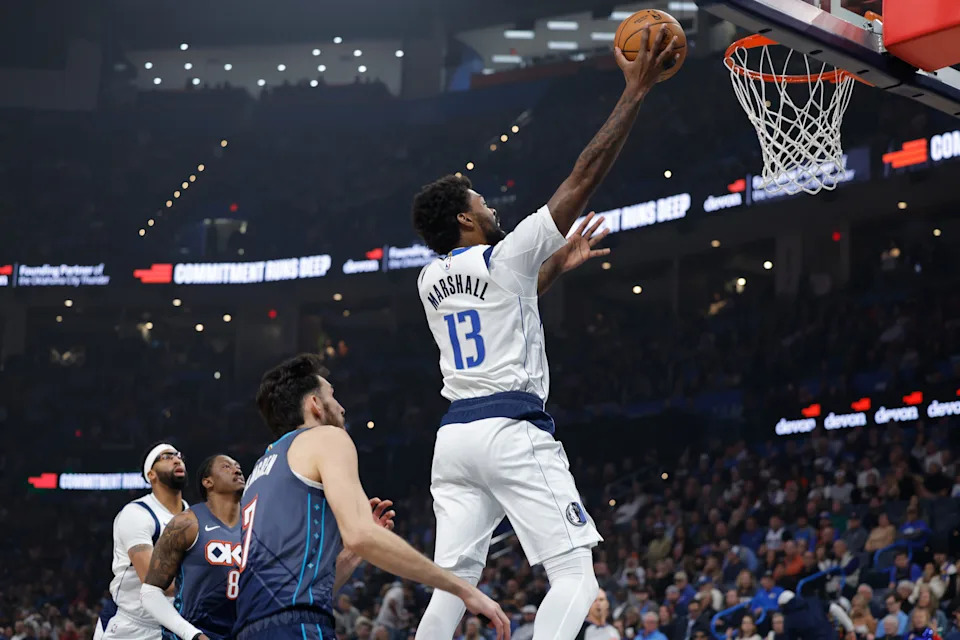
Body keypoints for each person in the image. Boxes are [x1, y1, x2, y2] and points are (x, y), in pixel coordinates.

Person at [409, 26, 679, 640]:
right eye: (481, 202)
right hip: (510, 429)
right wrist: (635, 91)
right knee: (576, 577)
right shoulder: (504, 257)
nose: (492, 206)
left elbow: (506, 302)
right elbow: (583, 176)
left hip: (453, 442)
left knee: (454, 582)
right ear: (464, 219)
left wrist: (555, 264)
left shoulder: (429, 280)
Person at [235, 354, 509, 640]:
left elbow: (305, 591)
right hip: (296, 629)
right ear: (315, 405)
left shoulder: (260, 471)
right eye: (332, 395)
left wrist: (353, 555)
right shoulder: (327, 437)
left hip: (251, 628)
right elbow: (359, 535)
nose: (341, 408)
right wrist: (463, 589)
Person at [138, 454, 248, 640]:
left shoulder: (255, 524)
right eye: (226, 467)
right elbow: (149, 593)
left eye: (238, 466)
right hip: (195, 633)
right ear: (208, 482)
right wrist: (193, 635)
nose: (237, 470)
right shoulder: (186, 523)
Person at [95, 443, 189, 640]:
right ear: (151, 474)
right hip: (129, 627)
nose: (176, 459)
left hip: (171, 625)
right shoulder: (137, 514)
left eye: (177, 455)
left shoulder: (194, 516)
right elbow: (153, 580)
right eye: (166, 457)